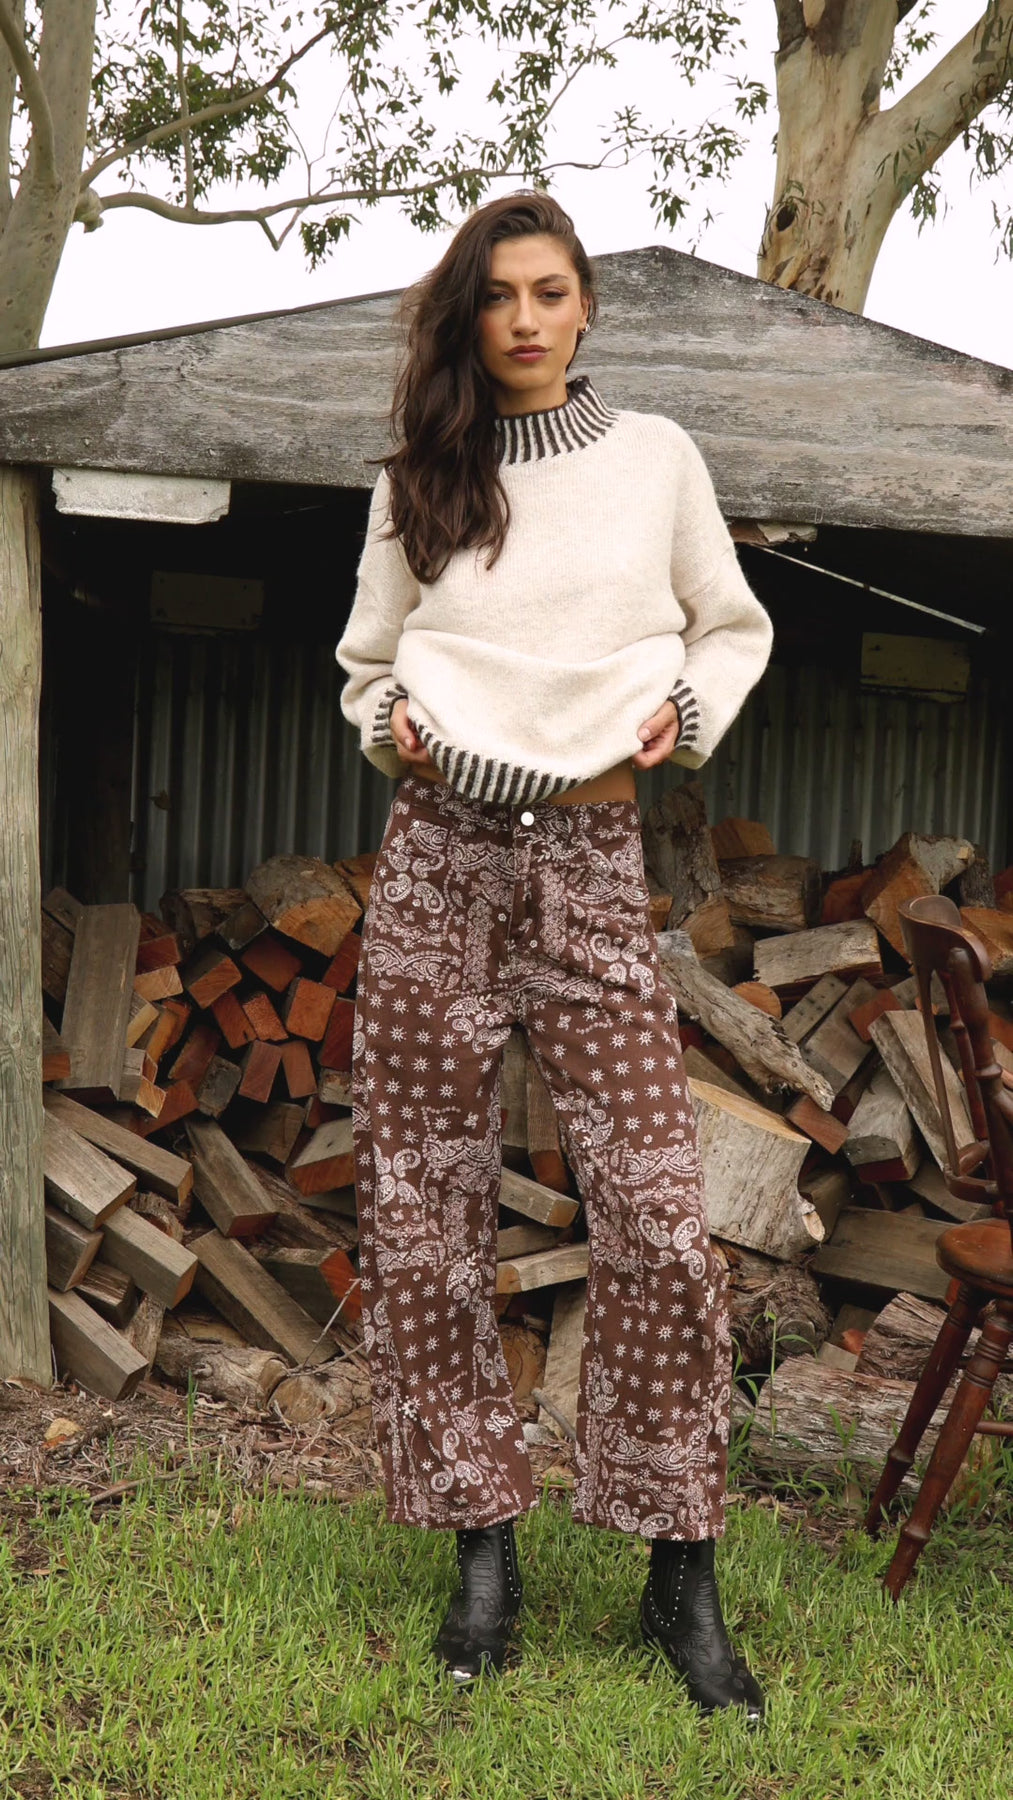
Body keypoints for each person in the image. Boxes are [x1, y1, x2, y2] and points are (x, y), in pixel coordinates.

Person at [335, 191, 773, 1719]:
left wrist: (688, 714)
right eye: (497, 295)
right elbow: (367, 663)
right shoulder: (418, 476)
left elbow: (727, 625)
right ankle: (482, 1547)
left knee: (658, 1216)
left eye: (547, 291)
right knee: (423, 1212)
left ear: (585, 307)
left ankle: (678, 1567)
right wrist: (386, 721)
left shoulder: (654, 458)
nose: (523, 318)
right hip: (438, 857)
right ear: (467, 316)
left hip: (589, 862)